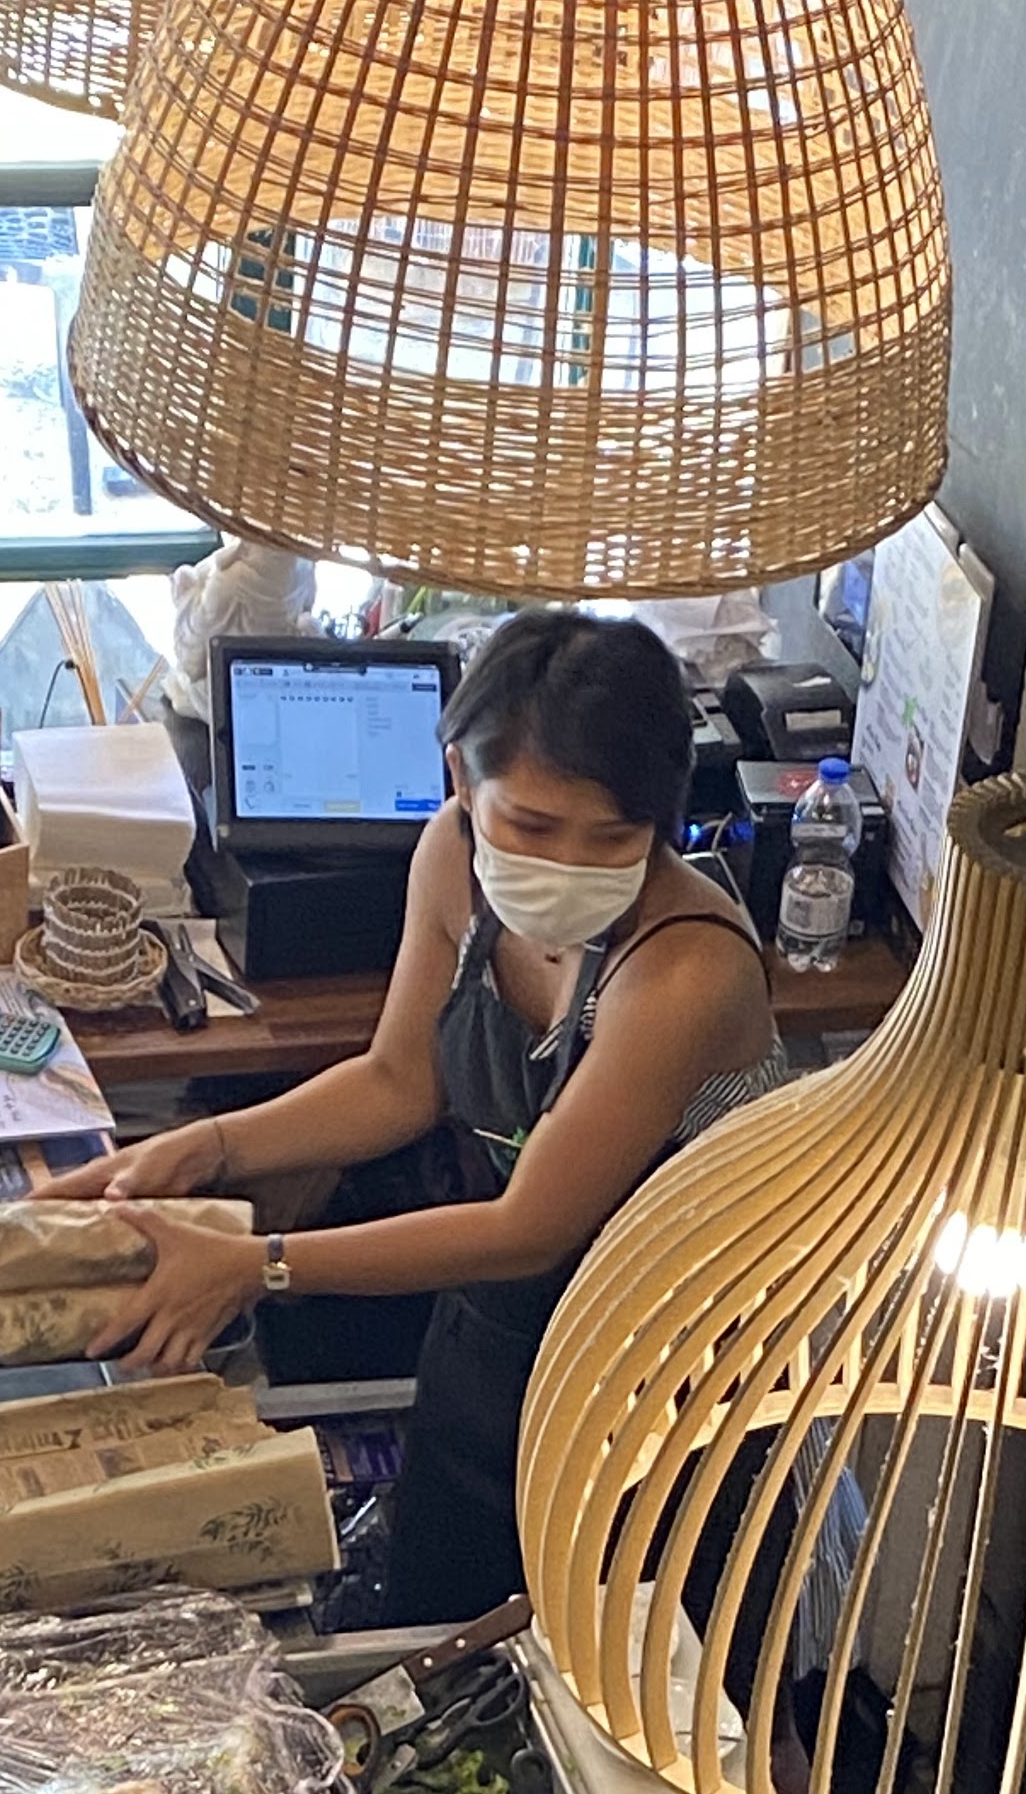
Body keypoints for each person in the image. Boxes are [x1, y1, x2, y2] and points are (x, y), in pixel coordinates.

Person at [67, 611, 783, 1623]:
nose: (568, 863)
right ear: (459, 776)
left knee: (628, 1681)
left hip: (676, 1391)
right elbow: (400, 1081)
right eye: (530, 826)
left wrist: (258, 1263)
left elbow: (530, 1224)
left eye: (613, 838)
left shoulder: (685, 970)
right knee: (437, 1657)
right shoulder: (451, 858)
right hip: (499, 1340)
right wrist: (208, 1148)